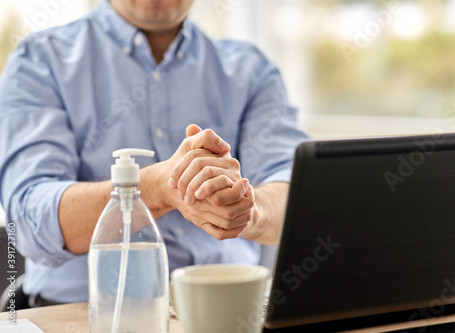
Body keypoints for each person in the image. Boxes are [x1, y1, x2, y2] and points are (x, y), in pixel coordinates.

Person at [0, 0, 308, 306]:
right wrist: (158, 187)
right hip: (84, 315)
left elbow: (297, 190)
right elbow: (30, 218)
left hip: (229, 313)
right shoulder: (41, 60)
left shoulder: (251, 70)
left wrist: (247, 212)